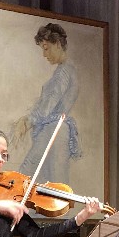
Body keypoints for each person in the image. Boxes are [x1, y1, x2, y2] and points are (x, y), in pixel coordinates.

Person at [12, 22, 80, 186]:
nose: (44, 54)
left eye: (46, 48)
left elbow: (48, 104)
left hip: (53, 131)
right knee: (51, 180)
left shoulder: (64, 71)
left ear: (58, 44)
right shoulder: (66, 69)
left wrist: (28, 122)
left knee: (29, 173)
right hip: (55, 131)